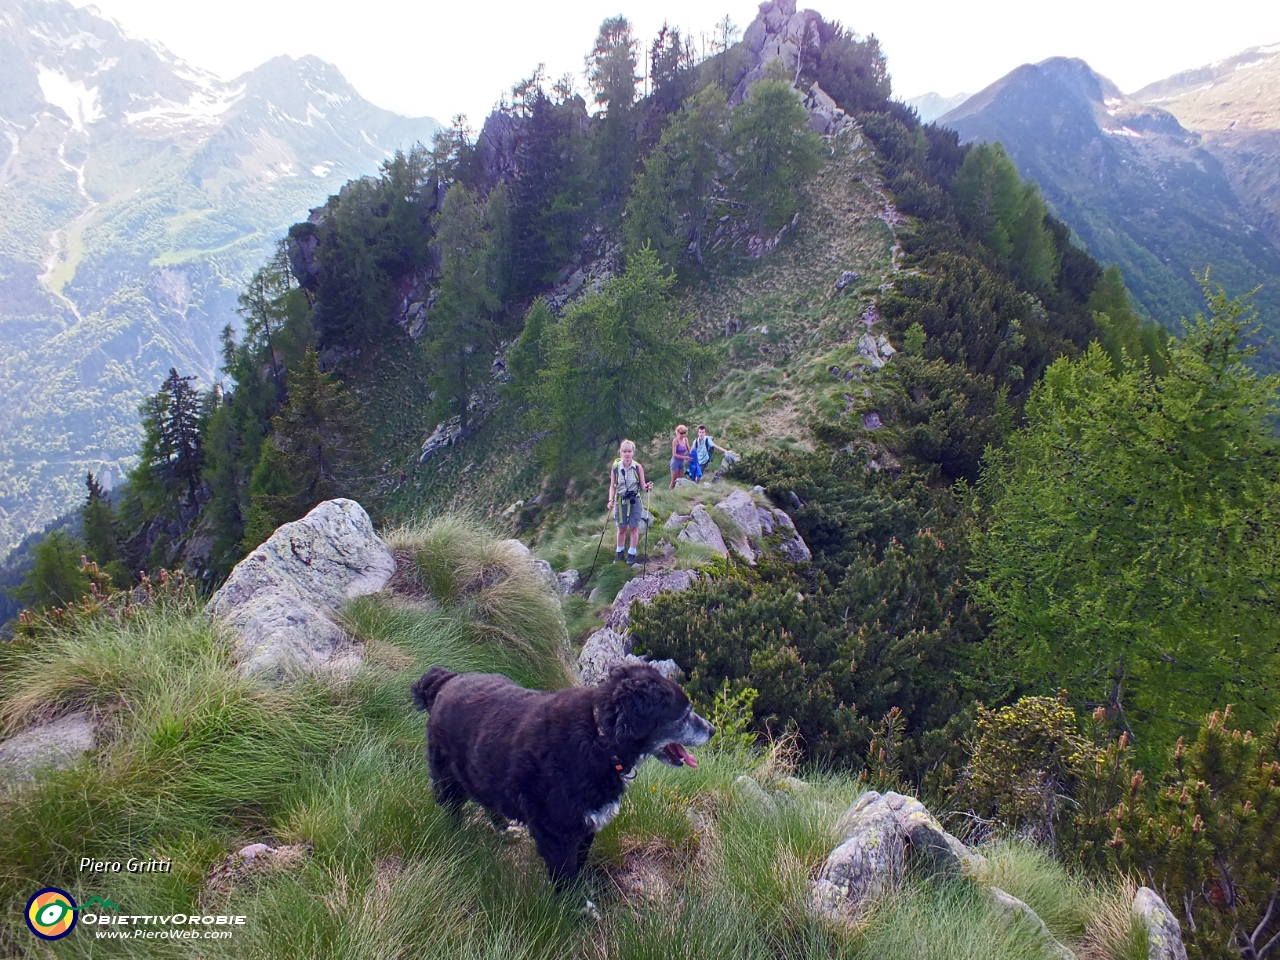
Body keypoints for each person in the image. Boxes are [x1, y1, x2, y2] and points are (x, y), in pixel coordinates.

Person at [607, 440, 653, 565]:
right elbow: (612, 486)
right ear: (620, 453)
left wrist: (647, 487)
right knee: (621, 528)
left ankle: (632, 553)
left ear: (633, 453)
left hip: (634, 500)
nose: (627, 454)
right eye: (624, 451)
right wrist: (610, 500)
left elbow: (643, 486)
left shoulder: (638, 467)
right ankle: (619, 553)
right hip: (620, 500)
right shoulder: (616, 468)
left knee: (633, 527)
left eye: (629, 451)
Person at [669, 424, 692, 489]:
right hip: (675, 462)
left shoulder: (685, 439)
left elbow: (689, 449)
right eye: (681, 433)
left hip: (682, 462)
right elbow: (674, 454)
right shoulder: (675, 441)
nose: (683, 435)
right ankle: (670, 493)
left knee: (680, 480)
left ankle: (678, 493)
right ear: (678, 432)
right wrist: (685, 457)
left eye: (684, 433)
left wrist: (692, 455)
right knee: (674, 481)